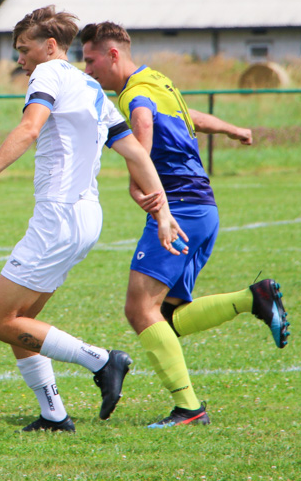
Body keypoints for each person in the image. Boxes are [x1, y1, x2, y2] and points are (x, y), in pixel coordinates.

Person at [0, 6, 187, 433]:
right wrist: (162, 211)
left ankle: (103, 361)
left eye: (24, 49)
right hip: (87, 217)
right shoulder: (92, 87)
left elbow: (30, 128)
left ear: (50, 47)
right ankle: (54, 415)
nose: (20, 59)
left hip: (58, 216)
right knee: (22, 323)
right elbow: (136, 154)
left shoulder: (49, 74)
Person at [80, 21, 290, 428]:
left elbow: (143, 126)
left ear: (113, 55)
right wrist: (231, 128)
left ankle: (189, 409)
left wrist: (138, 182)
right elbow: (186, 115)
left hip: (176, 206)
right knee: (170, 316)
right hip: (202, 207)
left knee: (139, 308)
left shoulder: (136, 94)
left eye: (90, 61)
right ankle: (254, 298)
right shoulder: (156, 80)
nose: (88, 70)